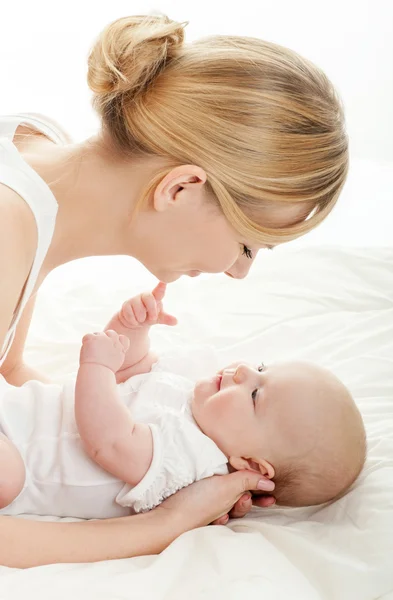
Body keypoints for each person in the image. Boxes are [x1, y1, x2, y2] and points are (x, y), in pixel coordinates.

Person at [0, 14, 348, 566]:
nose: (238, 272)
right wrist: (169, 522)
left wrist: (167, 465)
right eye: (248, 245)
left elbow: (10, 377)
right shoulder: (5, 226)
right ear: (182, 187)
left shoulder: (35, 152)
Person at [0, 283, 366, 519]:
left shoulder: (194, 462)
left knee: (7, 476)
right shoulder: (189, 394)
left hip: (25, 463)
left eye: (255, 394)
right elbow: (131, 371)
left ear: (250, 463)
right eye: (260, 368)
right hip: (18, 410)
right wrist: (132, 329)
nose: (242, 372)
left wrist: (96, 366)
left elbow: (109, 442)